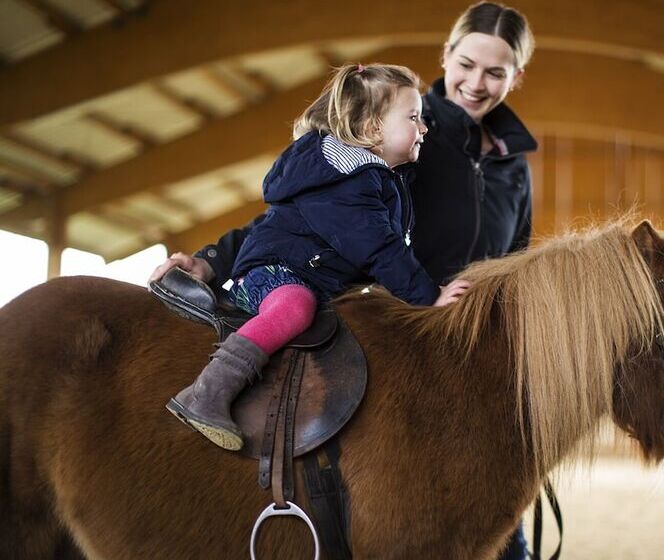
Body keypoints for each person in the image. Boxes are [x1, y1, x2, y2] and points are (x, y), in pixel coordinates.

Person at [150, 3, 536, 557]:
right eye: (467, 64)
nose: (476, 83)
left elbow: (517, 262)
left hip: (476, 358)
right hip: (408, 333)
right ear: (446, 56)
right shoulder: (400, 133)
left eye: (496, 73)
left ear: (516, 76)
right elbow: (300, 219)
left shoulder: (513, 167)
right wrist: (213, 259)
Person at [163, 63, 471, 453]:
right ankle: (208, 392)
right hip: (275, 275)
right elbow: (379, 247)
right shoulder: (347, 180)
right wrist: (429, 297)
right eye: (413, 118)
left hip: (308, 273)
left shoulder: (378, 179)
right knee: (295, 308)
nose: (424, 128)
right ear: (374, 128)